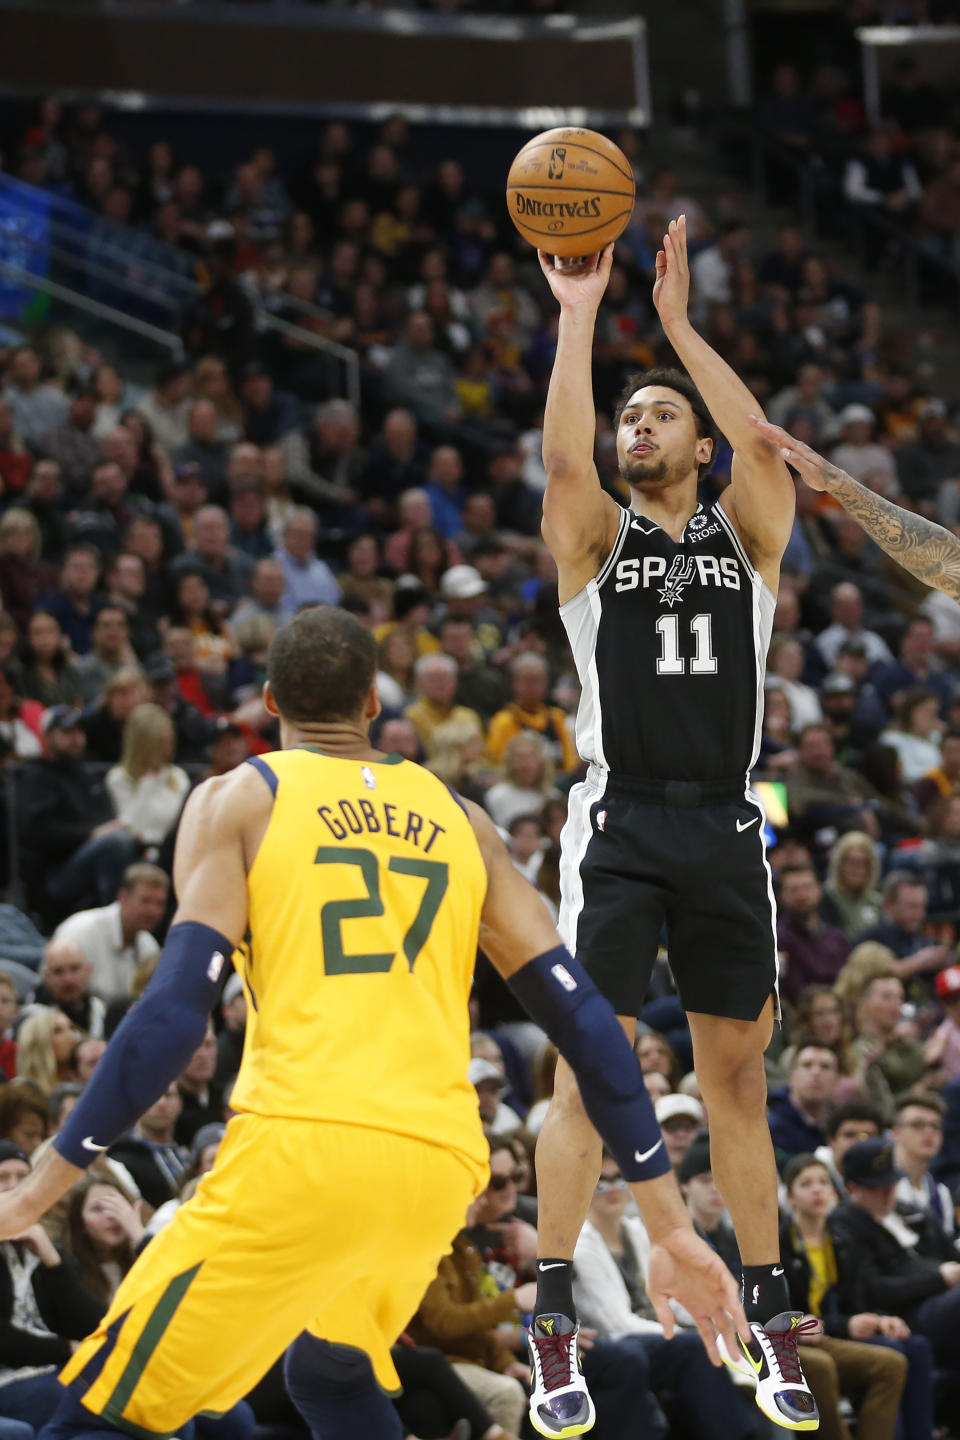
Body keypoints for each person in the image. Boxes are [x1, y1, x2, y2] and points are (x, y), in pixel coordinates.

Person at [0, 605, 745, 1440]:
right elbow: (589, 1025)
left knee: (101, 1411)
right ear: (372, 710)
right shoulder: (465, 821)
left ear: (271, 701)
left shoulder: (237, 800)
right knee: (334, 1367)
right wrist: (670, 1223)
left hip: (303, 1147)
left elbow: (174, 1014)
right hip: (435, 1168)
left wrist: (42, 1187)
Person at [531, 218, 813, 1432]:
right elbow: (558, 467)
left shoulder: (748, 536)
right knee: (589, 1079)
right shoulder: (595, 538)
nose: (634, 429)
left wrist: (686, 331)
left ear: (697, 444)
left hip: (730, 830)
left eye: (656, 418)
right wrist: (581, 314)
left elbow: (765, 448)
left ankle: (776, 1322)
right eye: (625, 418)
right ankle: (550, 1328)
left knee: (737, 1083)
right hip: (622, 824)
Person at [571, 1151, 756, 1440]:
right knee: (696, 1348)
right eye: (600, 1183)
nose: (613, 1190)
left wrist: (718, 1317)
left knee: (734, 1336)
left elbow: (672, 1297)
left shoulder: (637, 1232)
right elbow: (618, 1323)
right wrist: (686, 1331)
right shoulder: (580, 1246)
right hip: (615, 1342)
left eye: (619, 1180)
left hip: (654, 1334)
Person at [779, 1154, 926, 1440]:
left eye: (823, 1182)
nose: (818, 1190)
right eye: (806, 1184)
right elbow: (769, 1307)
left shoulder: (841, 1240)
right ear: (791, 1197)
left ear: (834, 1192)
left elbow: (856, 1301)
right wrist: (807, 1323)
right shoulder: (779, 1243)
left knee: (892, 1363)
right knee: (822, 1366)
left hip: (827, 1334)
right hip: (787, 1341)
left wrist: (882, 1320)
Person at [51, 864, 168, 1000]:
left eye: (159, 904)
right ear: (123, 897)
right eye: (145, 901)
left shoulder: (149, 946)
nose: (152, 911)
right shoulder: (81, 930)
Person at [105, 704, 190, 849]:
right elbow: (127, 825)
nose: (168, 749)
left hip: (170, 850)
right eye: (162, 743)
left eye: (169, 741)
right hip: (134, 850)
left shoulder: (178, 777)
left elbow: (179, 825)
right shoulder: (118, 778)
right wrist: (146, 788)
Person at [892, 1094, 953, 1236]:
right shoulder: (881, 1186)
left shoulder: (941, 1193)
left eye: (935, 1126)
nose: (928, 1132)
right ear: (896, 1133)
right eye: (917, 1125)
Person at [768, 1045, 841, 1162]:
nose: (816, 1072)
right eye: (807, 1065)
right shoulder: (768, 1126)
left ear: (836, 1080)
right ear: (791, 1076)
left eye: (825, 1067)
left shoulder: (842, 1128)